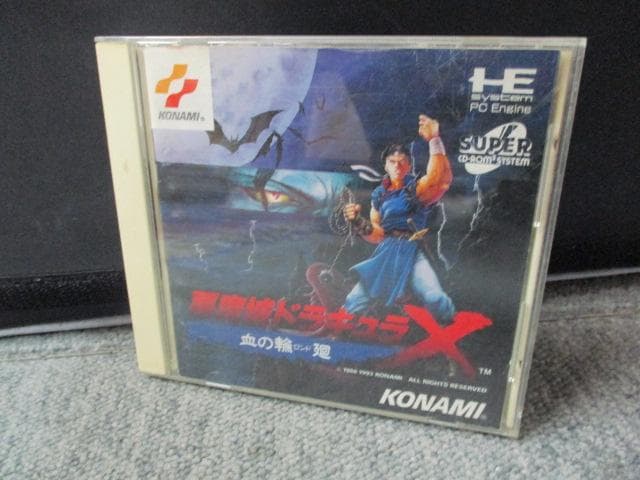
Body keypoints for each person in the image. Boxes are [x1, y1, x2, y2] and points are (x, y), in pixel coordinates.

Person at [343, 114, 455, 322]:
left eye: (402, 162)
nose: (397, 166)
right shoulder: (379, 194)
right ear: (385, 165)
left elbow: (440, 179)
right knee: (354, 300)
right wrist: (357, 221)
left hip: (413, 251)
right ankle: (343, 331)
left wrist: (434, 140)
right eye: (392, 162)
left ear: (409, 166)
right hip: (387, 251)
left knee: (435, 297)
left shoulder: (415, 188)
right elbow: (377, 234)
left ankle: (452, 329)